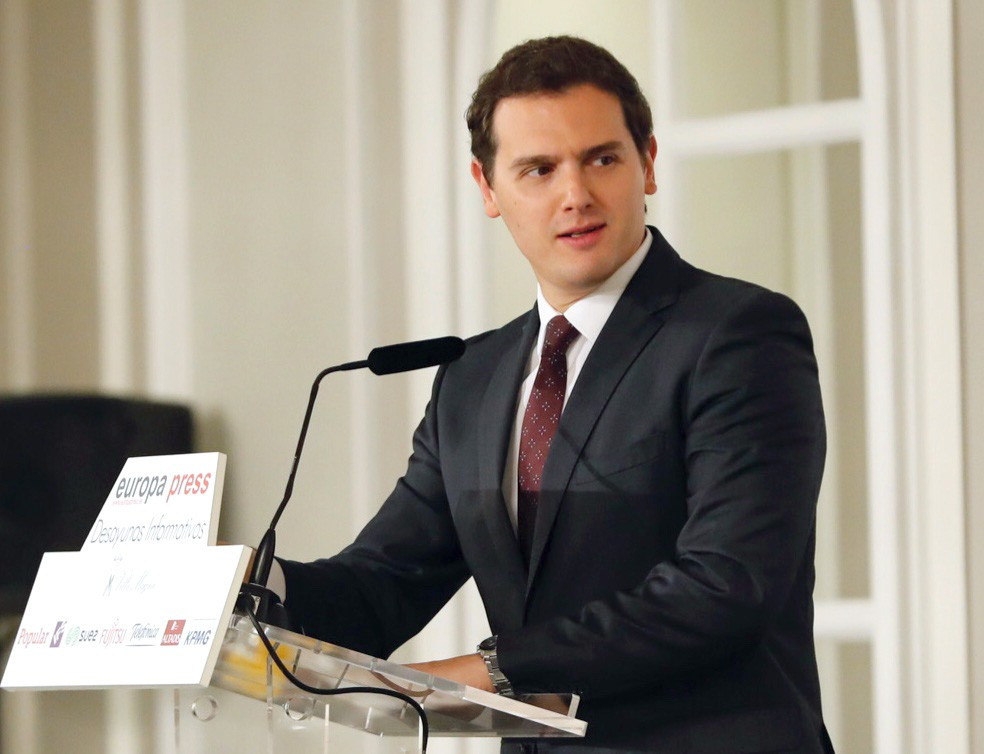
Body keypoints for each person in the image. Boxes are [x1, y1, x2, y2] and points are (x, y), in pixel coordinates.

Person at [275, 35, 833, 753]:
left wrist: (495, 669)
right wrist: (249, 583)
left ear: (649, 164)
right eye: (538, 169)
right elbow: (382, 584)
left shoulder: (738, 335)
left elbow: (723, 587)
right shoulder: (470, 380)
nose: (576, 195)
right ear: (487, 188)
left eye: (602, 158)